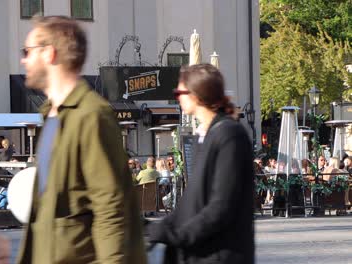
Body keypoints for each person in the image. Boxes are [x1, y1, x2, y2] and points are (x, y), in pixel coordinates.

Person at [16, 16, 145, 263]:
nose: (24, 59)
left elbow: (111, 210)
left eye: (28, 51)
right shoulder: (52, 114)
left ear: (49, 54)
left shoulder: (91, 115)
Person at [148, 64, 254, 263]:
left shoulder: (230, 135)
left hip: (221, 255)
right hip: (204, 254)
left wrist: (177, 236)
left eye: (180, 91)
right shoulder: (206, 136)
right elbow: (193, 200)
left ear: (196, 95)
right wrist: (157, 227)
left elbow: (221, 206)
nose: (177, 96)